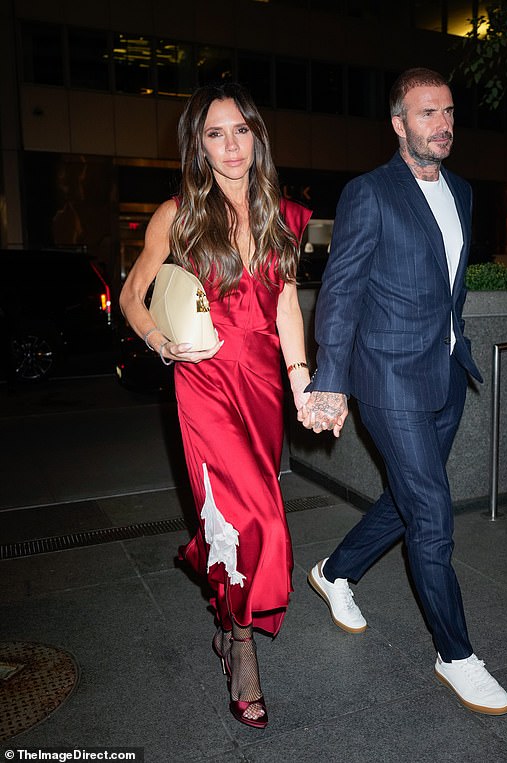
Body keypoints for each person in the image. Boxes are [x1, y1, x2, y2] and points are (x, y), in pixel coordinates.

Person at [299, 68, 507, 716]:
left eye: (448, 112)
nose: (443, 124)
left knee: (407, 498)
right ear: (398, 124)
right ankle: (455, 653)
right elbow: (338, 294)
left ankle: (336, 570)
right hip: (388, 376)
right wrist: (331, 382)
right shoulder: (370, 193)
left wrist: (456, 341)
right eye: (427, 114)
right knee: (432, 514)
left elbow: (451, 284)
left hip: (445, 372)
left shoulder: (466, 192)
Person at [119, 82, 312, 729]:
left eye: (240, 130)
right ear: (198, 148)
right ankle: (244, 646)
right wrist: (157, 341)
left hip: (262, 385)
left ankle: (230, 629)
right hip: (201, 382)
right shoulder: (176, 215)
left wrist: (302, 377)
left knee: (244, 521)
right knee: (256, 522)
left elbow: (285, 306)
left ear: (257, 136)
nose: (231, 145)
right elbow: (132, 295)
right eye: (215, 134)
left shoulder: (286, 216)